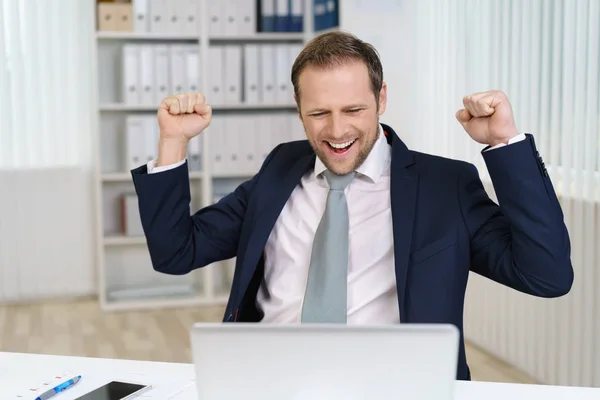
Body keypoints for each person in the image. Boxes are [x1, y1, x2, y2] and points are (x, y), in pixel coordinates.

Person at [131, 31, 573, 380]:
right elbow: (176, 253)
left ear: (381, 100)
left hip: (396, 388)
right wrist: (173, 142)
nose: (337, 130)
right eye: (319, 113)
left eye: (354, 109)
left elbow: (546, 275)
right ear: (298, 108)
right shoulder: (280, 169)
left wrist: (504, 143)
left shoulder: (445, 186)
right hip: (269, 380)